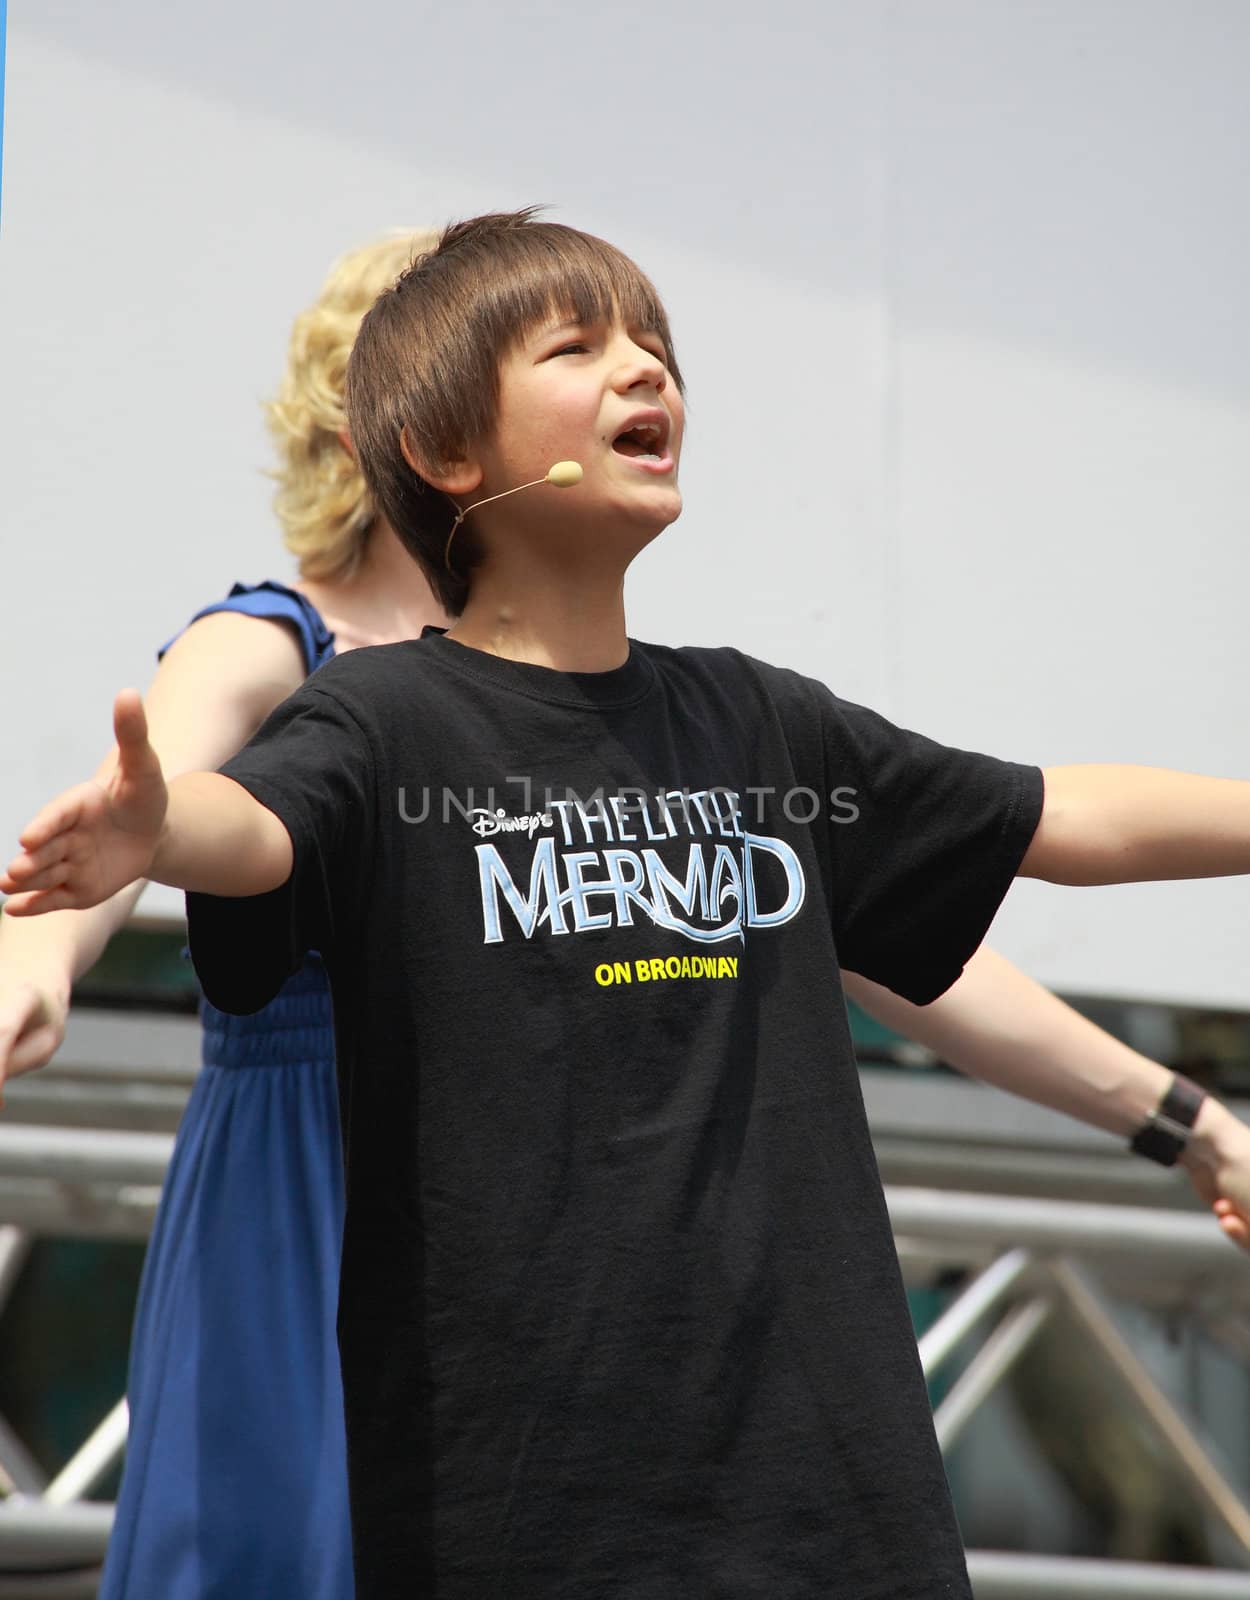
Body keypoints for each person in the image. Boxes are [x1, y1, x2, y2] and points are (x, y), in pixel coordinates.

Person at [5, 211, 1250, 1599]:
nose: (644, 370)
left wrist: (1177, 1112)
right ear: (429, 442)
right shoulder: (361, 709)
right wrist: (130, 852)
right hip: (496, 1434)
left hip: (811, 1485)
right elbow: (237, 821)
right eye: (576, 345)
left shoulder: (747, 720)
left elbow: (1032, 829)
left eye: (653, 344)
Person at [0, 229, 445, 1599]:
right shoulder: (266, 639)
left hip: (496, 1166)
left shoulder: (553, 681)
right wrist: (34, 958)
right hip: (307, 1173)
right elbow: (133, 813)